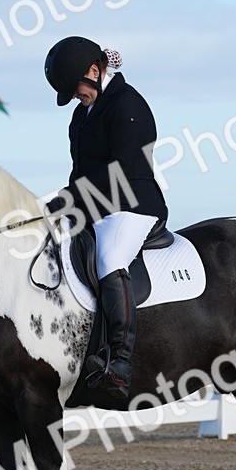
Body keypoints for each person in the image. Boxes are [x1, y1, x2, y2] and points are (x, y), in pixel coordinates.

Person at [44, 36, 168, 399]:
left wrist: (70, 200)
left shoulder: (129, 107)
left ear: (95, 72)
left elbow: (122, 173)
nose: (76, 97)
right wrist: (65, 205)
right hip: (95, 205)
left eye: (77, 89)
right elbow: (80, 170)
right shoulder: (83, 112)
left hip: (133, 204)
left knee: (110, 258)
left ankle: (120, 359)